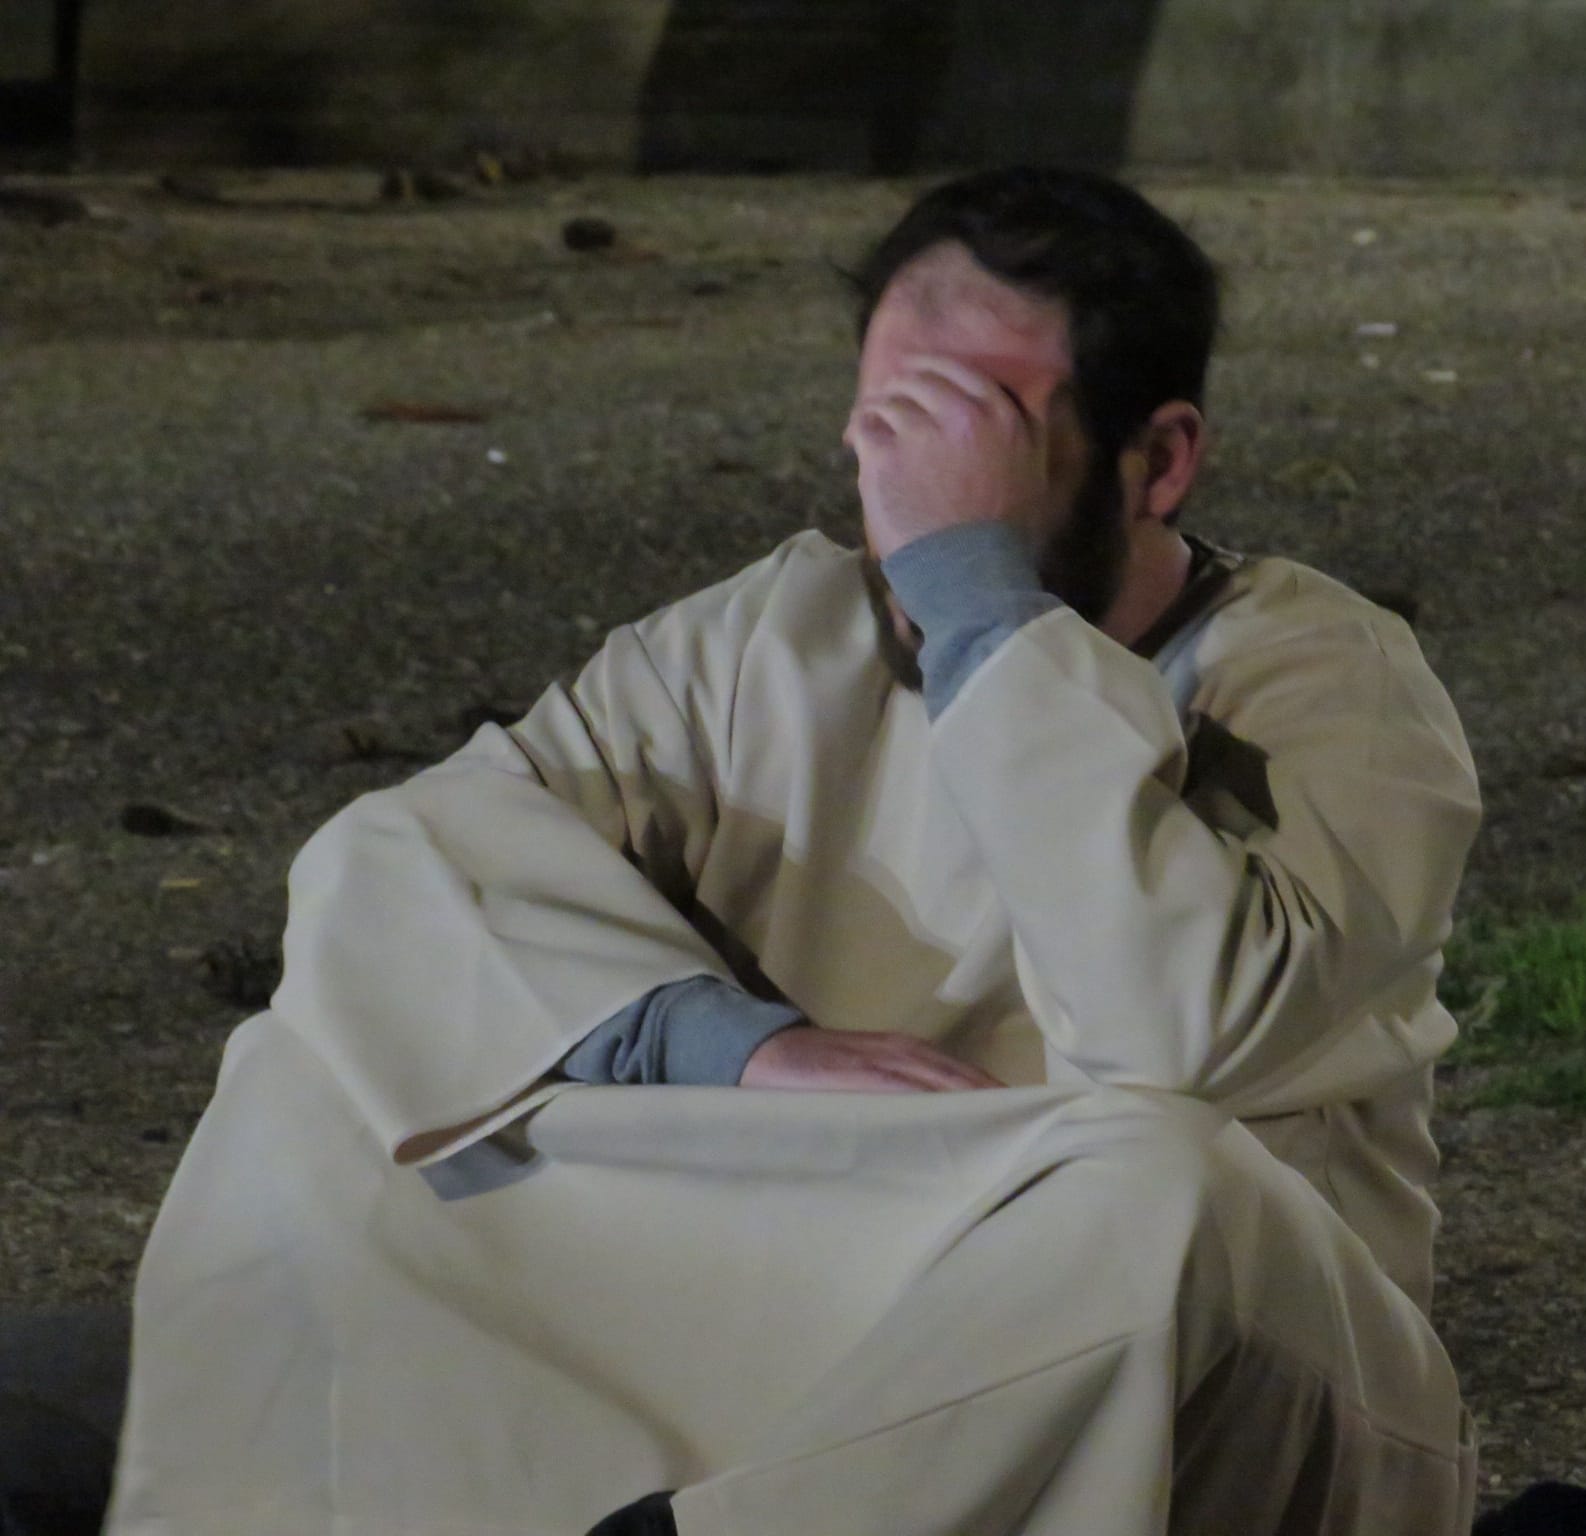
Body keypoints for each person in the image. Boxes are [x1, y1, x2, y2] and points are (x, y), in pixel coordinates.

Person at [105, 166, 1484, 1536]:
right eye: (891, 421)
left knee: (1162, 1186)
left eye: (977, 426)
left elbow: (1181, 1035)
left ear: (1161, 461)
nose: (909, 489)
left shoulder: (1325, 683)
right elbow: (404, 862)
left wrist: (981, 607)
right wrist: (732, 1049)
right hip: (855, 1318)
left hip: (1231, 1401)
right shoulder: (771, 640)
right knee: (320, 1067)